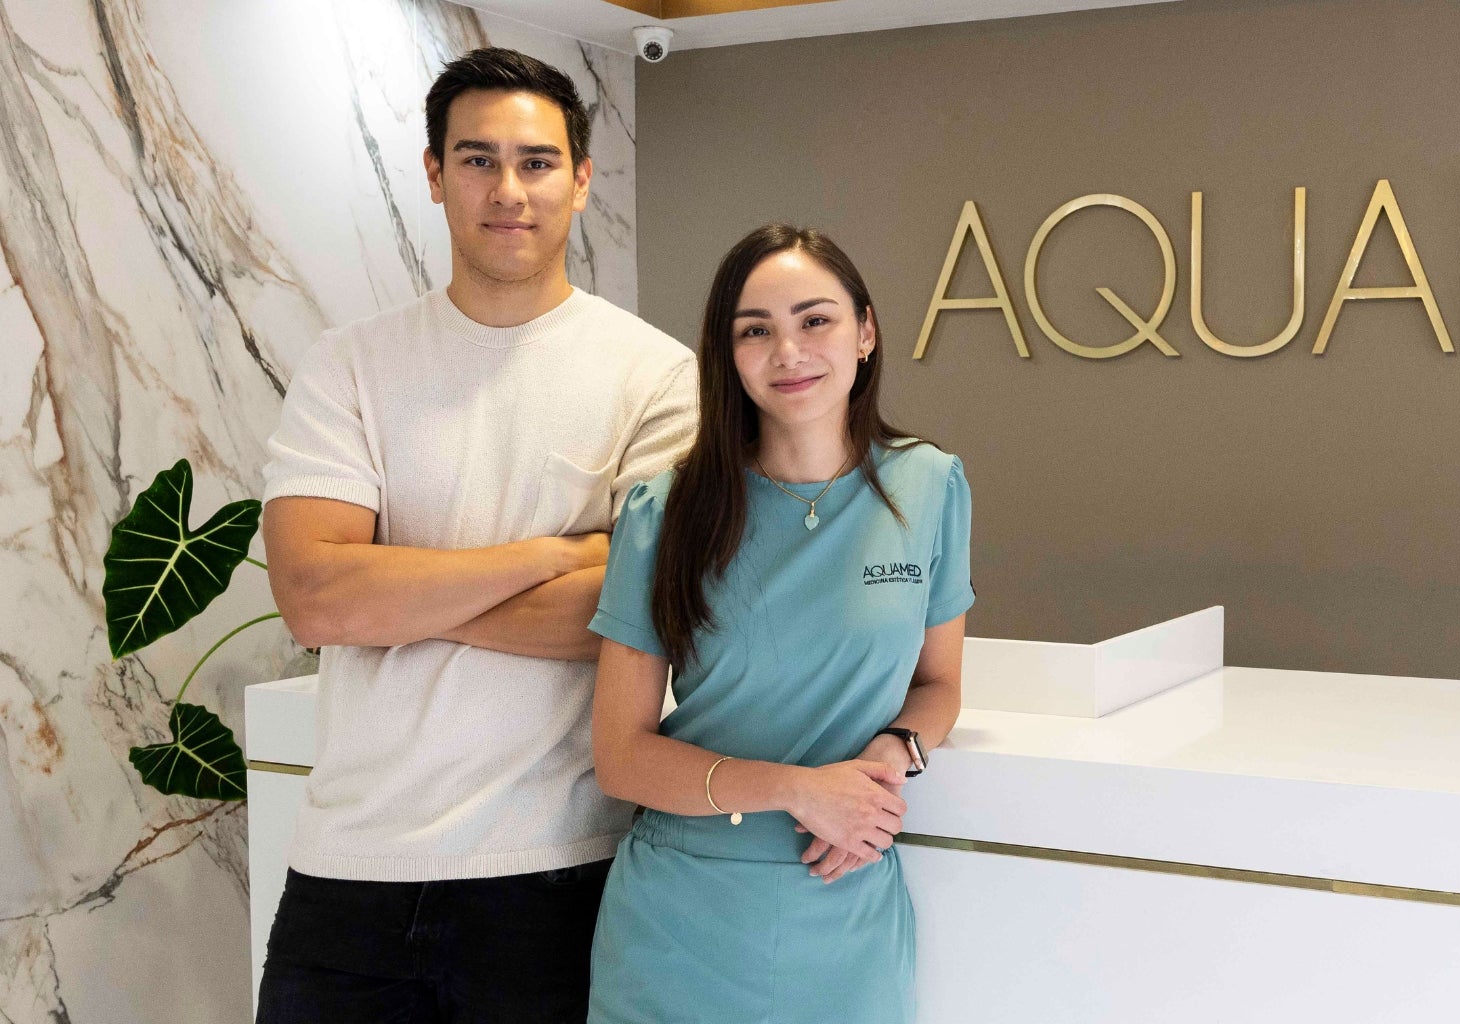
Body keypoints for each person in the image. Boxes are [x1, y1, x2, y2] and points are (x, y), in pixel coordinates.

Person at [255, 48, 696, 1023]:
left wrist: (396, 596)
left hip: (558, 878)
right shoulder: (350, 367)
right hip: (347, 881)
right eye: (477, 159)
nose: (509, 190)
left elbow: (625, 619)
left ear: (582, 179)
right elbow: (317, 599)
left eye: (536, 162)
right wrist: (553, 553)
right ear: (433, 172)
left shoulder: (654, 377)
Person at [586, 225, 972, 1024]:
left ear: (865, 331)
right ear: (727, 356)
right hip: (681, 915)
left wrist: (889, 756)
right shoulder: (665, 511)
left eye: (815, 319)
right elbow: (620, 756)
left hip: (846, 897)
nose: (788, 350)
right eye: (755, 330)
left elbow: (939, 685)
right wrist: (800, 789)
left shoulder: (930, 485)